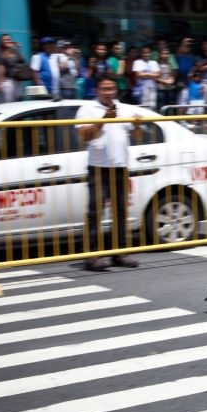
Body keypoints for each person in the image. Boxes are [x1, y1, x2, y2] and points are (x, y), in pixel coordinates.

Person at [75, 77, 141, 271]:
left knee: (120, 211)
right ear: (97, 90)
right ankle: (92, 256)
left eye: (111, 88)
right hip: (98, 168)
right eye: (104, 89)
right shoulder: (87, 109)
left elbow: (138, 137)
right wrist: (104, 119)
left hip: (120, 167)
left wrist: (138, 125)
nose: (108, 92)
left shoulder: (125, 109)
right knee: (95, 212)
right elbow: (84, 136)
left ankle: (119, 253)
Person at [0, 34, 26, 103]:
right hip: (7, 81)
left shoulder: (14, 50)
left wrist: (17, 49)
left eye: (9, 39)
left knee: (19, 101)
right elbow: (0, 68)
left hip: (17, 80)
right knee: (8, 103)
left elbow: (22, 61)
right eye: (5, 40)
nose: (7, 41)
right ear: (1, 42)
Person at [156, 47, 177, 111]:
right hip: (160, 89)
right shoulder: (157, 64)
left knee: (169, 107)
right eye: (163, 53)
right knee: (161, 106)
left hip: (169, 88)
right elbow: (155, 78)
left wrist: (172, 79)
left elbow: (172, 75)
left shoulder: (169, 64)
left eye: (167, 54)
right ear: (160, 54)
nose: (165, 55)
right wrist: (165, 82)